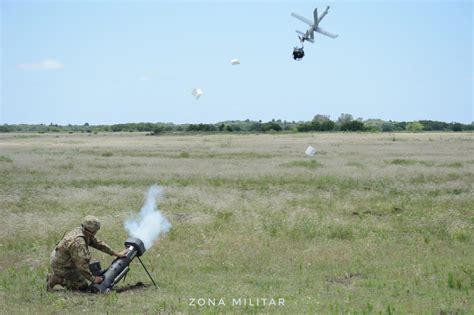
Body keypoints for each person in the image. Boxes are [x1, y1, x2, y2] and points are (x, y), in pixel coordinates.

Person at [46, 215, 127, 291]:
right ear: (89, 230)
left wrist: (115, 253)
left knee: (88, 272)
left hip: (64, 260)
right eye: (94, 231)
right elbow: (82, 265)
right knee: (82, 286)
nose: (95, 233)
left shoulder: (83, 231)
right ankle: (56, 279)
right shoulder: (79, 243)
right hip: (62, 266)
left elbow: (97, 243)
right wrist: (93, 279)